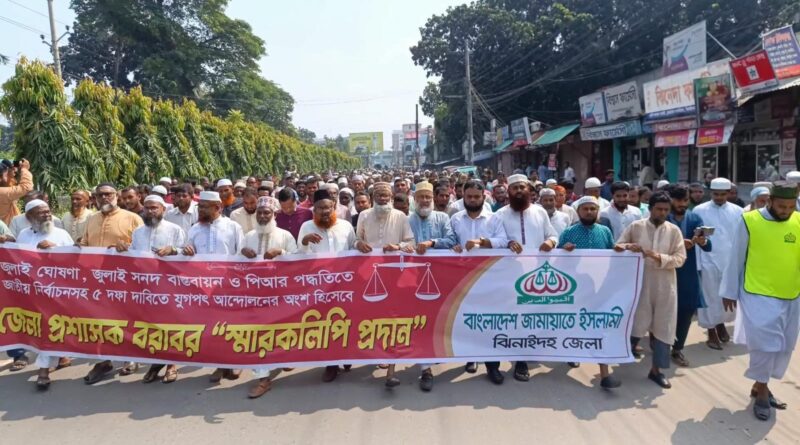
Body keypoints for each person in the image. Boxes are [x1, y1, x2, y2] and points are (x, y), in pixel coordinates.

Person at [720, 181, 799, 421]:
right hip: (757, 292)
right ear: (770, 201)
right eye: (781, 206)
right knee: (766, 344)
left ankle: (760, 382)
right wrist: (729, 291)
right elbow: (736, 256)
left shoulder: (798, 220)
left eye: (791, 206)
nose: (786, 211)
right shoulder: (749, 220)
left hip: (791, 292)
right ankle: (762, 391)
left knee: (784, 345)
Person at [616, 192, 686, 389]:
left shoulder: (674, 231)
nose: (662, 213)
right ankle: (619, 354)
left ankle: (656, 370)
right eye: (659, 209)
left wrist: (656, 256)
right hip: (639, 283)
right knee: (635, 322)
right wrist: (628, 246)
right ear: (650, 208)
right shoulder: (636, 226)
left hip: (665, 285)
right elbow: (618, 246)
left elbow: (680, 258)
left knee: (664, 327)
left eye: (666, 210)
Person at [494, 174, 558, 383]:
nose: (519, 191)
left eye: (522, 187)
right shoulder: (500, 214)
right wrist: (507, 244)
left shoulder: (540, 212)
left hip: (537, 275)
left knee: (530, 316)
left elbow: (553, 235)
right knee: (512, 316)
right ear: (509, 192)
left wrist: (550, 243)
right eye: (515, 188)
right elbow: (495, 240)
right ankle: (513, 357)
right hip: (509, 274)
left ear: (529, 190)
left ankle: (524, 355)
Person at [115, 195, 186, 385]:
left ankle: (172, 365)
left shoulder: (175, 229)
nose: (150, 211)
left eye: (154, 208)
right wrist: (123, 249)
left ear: (163, 209)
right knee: (150, 326)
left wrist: (173, 250)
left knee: (170, 326)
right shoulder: (138, 232)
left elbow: (186, 253)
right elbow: (134, 254)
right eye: (147, 208)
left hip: (168, 287)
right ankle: (156, 363)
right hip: (144, 288)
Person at [81, 183, 144, 385]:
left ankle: (130, 357)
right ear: (95, 198)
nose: (104, 198)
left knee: (126, 318)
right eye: (100, 195)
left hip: (123, 279)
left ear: (116, 195)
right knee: (99, 320)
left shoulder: (132, 218)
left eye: (108, 194)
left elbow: (143, 249)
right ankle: (104, 361)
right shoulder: (91, 219)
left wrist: (127, 248)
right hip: (97, 279)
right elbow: (85, 243)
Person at [355, 182, 415, 387]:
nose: (382, 198)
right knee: (373, 317)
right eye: (379, 195)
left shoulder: (401, 216)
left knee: (393, 317)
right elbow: (356, 239)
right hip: (369, 275)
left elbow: (411, 243)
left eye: (386, 195)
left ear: (391, 197)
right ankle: (379, 352)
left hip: (395, 275)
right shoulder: (364, 216)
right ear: (373, 197)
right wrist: (358, 244)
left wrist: (397, 246)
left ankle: (391, 368)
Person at [449, 180, 510, 382]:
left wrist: (481, 242)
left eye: (477, 197)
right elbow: (451, 241)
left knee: (489, 322)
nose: (473, 200)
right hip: (463, 278)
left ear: (484, 197)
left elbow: (503, 241)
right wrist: (454, 247)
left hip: (489, 277)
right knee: (466, 319)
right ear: (463, 197)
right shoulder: (456, 219)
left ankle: (493, 366)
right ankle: (470, 357)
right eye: (469, 197)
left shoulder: (494, 218)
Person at [558, 196, 621, 389]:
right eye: (585, 209)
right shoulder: (569, 232)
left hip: (600, 287)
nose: (589, 212)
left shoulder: (605, 231)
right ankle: (573, 353)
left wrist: (623, 250)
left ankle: (604, 373)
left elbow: (612, 254)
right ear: (578, 211)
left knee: (599, 324)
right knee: (575, 322)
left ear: (597, 211)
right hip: (576, 288)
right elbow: (557, 259)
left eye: (593, 209)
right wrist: (564, 250)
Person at [183, 191, 244, 383]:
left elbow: (241, 255)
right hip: (203, 287)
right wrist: (186, 251)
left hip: (228, 286)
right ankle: (220, 363)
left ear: (217, 207)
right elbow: (186, 252)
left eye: (203, 207)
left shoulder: (233, 227)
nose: (200, 210)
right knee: (212, 327)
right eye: (199, 206)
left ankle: (236, 362)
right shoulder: (195, 229)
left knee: (231, 325)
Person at [297, 190, 358, 383]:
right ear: (314, 210)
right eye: (320, 208)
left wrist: (360, 244)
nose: (325, 211)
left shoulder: (345, 226)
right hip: (319, 287)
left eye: (328, 207)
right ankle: (331, 364)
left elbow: (353, 248)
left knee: (347, 320)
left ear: (334, 208)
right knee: (326, 324)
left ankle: (347, 356)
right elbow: (298, 256)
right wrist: (305, 242)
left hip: (344, 284)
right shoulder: (306, 227)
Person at [15, 199, 75, 389]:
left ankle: (43, 371)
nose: (47, 215)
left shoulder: (61, 234)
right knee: (42, 329)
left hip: (56, 293)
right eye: (41, 212)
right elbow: (18, 260)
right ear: (29, 217)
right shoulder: (23, 235)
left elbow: (74, 261)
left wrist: (54, 250)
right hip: (33, 293)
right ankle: (59, 357)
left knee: (49, 327)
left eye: (48, 211)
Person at [243, 197, 299, 399]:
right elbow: (234, 263)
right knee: (259, 334)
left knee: (282, 330)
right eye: (259, 213)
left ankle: (285, 358)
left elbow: (297, 259)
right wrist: (242, 252)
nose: (262, 216)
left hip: (280, 292)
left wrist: (280, 252)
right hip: (255, 294)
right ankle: (263, 378)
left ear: (274, 214)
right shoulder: (248, 236)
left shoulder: (285, 235)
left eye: (266, 212)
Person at [407, 181, 458, 392]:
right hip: (413, 279)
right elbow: (402, 243)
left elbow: (452, 240)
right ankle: (425, 369)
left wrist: (432, 243)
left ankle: (441, 351)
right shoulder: (407, 220)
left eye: (428, 197)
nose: (425, 201)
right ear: (415, 199)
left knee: (442, 319)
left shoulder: (443, 218)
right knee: (420, 322)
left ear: (433, 199)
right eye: (421, 197)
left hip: (440, 277)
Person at [693, 178, 743, 350]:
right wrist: (698, 265)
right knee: (709, 297)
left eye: (723, 194)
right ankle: (711, 330)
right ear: (710, 193)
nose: (719, 197)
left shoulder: (738, 211)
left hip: (729, 261)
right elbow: (697, 238)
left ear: (728, 193)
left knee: (726, 296)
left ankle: (721, 324)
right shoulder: (699, 210)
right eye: (716, 194)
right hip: (707, 260)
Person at [666, 185, 711, 367]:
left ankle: (677, 349)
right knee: (663, 310)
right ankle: (659, 344)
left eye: (685, 200)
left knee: (686, 311)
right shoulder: (661, 216)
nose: (682, 204)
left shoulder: (694, 218)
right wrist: (678, 244)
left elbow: (708, 247)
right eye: (678, 200)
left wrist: (702, 241)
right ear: (670, 200)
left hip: (688, 273)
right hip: (665, 270)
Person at [0, 158, 32, 225]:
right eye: (6, 174)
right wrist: (24, 169)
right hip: (8, 229)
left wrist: (15, 165)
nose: (14, 170)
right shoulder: (3, 193)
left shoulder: (7, 185)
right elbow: (26, 187)